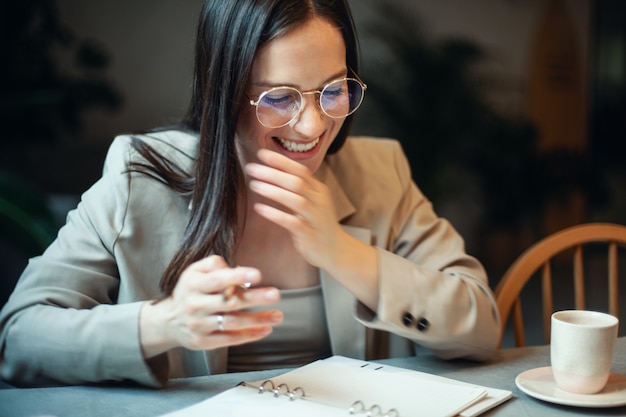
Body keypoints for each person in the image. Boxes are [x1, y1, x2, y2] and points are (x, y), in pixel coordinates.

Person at [0, 0, 500, 388]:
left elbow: (480, 327)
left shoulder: (379, 172)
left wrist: (344, 252)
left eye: (334, 89)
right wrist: (164, 324)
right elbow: (19, 337)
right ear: (224, 92)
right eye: (279, 98)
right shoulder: (139, 174)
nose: (313, 125)